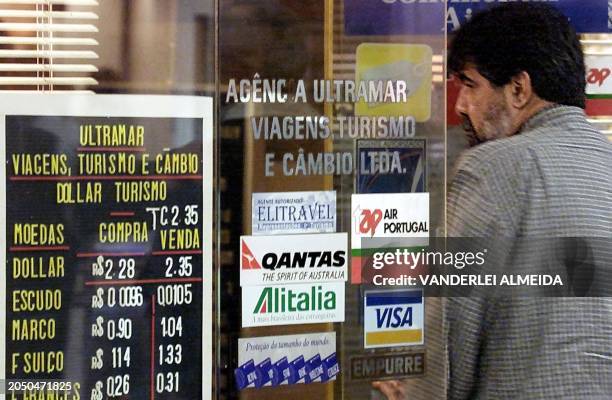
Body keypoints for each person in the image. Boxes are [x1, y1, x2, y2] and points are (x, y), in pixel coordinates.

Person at [446, 3, 612, 400]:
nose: (460, 106)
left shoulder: (490, 166)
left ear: (519, 88)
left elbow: (452, 326)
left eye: (470, 85)